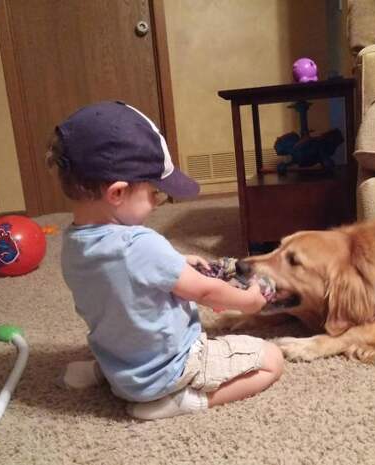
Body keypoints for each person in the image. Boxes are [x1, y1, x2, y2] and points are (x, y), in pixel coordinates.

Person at [46, 101, 283, 420]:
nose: (157, 203)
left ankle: (101, 372)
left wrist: (176, 260)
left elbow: (123, 281)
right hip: (172, 368)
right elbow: (205, 292)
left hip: (122, 366)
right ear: (117, 193)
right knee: (272, 360)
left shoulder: (73, 243)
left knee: (121, 324)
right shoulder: (141, 245)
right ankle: (179, 402)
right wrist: (250, 301)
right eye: (154, 193)